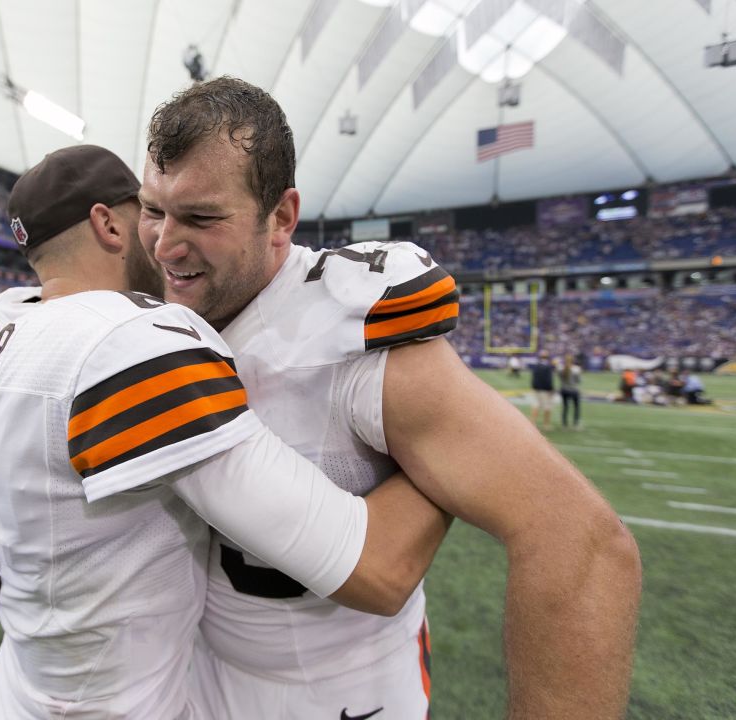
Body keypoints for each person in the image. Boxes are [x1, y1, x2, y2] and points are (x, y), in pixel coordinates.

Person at [136, 77, 640, 719]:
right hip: (197, 678)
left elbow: (582, 540)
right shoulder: (159, 302)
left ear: (282, 218)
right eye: (154, 209)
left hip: (338, 695)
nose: (164, 244)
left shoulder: (347, 334)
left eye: (202, 217)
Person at [0, 145, 449, 719]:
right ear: (108, 223)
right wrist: (442, 453)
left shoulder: (0, 316)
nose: (164, 238)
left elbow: (26, 428)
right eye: (149, 211)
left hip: (17, 689)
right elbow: (377, 569)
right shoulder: (129, 342)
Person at [529, 350, 557, 430]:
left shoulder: (536, 365)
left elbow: (533, 378)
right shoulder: (548, 367)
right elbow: (549, 380)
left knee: (535, 406)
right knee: (547, 407)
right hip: (545, 390)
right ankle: (546, 424)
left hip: (536, 389)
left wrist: (533, 387)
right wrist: (551, 389)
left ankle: (533, 423)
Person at [560, 353, 582, 429]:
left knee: (565, 407)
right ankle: (575, 424)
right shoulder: (577, 369)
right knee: (576, 407)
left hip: (564, 389)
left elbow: (560, 378)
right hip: (574, 390)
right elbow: (579, 380)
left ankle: (564, 424)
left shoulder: (561, 368)